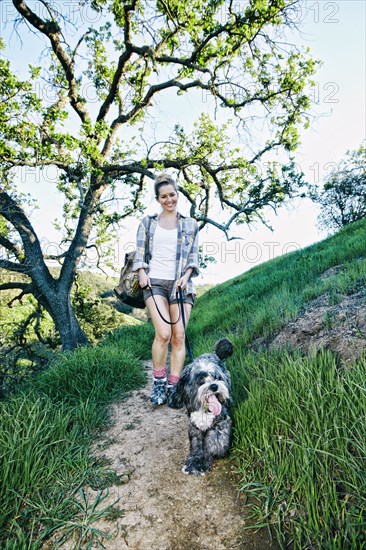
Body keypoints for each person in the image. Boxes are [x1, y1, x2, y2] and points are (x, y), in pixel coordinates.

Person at [132, 173, 199, 406]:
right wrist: (141, 272)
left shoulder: (190, 224)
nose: (169, 199)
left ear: (177, 194)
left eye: (172, 194)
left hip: (181, 284)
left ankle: (174, 386)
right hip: (155, 282)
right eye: (163, 196)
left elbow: (194, 257)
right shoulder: (148, 223)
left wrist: (186, 276)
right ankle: (159, 383)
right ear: (158, 199)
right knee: (163, 334)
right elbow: (139, 252)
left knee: (179, 337)